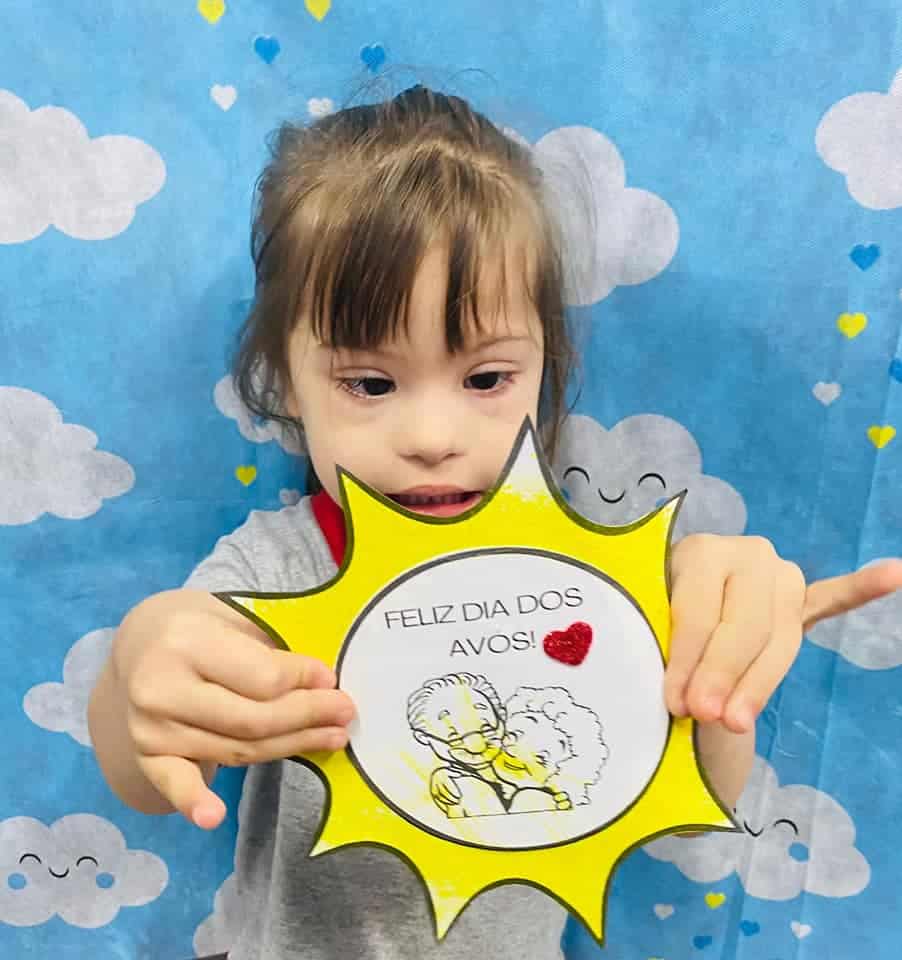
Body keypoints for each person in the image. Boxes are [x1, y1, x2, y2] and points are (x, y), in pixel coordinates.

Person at [86, 84, 902, 960]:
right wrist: (140, 661)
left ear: (545, 365)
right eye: (369, 384)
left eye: (486, 379)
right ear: (287, 383)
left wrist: (717, 672)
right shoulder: (276, 572)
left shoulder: (597, 577)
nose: (433, 438)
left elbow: (699, 803)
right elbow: (149, 770)